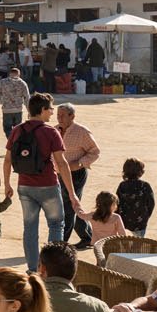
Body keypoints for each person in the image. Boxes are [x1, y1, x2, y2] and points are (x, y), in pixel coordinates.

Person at [1, 92, 81, 272]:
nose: (52, 113)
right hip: (48, 185)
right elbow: (61, 163)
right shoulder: (51, 131)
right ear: (43, 110)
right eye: (51, 109)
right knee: (56, 224)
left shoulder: (17, 130)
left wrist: (7, 184)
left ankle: (32, 269)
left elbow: (7, 160)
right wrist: (72, 192)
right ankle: (52, 269)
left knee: (30, 228)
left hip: (25, 185)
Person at [55, 103, 100, 249]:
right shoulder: (54, 130)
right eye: (58, 115)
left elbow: (95, 151)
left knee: (68, 207)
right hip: (58, 174)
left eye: (63, 115)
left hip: (76, 174)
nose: (59, 118)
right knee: (72, 205)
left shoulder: (82, 132)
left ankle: (62, 245)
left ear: (72, 117)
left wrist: (80, 163)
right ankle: (87, 237)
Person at [115, 158, 155, 237]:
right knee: (138, 244)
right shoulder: (145, 185)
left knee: (125, 244)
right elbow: (151, 203)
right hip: (140, 222)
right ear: (140, 172)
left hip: (124, 222)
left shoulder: (122, 185)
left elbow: (116, 202)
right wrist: (146, 215)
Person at [0, 67, 30, 138]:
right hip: (18, 110)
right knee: (18, 130)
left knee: (7, 129)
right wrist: (29, 111)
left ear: (10, 74)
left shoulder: (3, 82)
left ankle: (11, 142)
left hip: (7, 110)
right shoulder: (23, 83)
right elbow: (27, 98)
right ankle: (16, 143)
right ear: (19, 74)